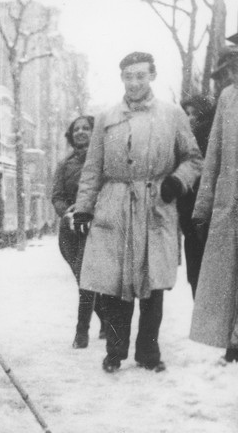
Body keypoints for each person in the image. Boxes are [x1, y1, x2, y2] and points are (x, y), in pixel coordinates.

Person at [73, 51, 202, 374]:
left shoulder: (172, 115)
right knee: (115, 284)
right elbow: (93, 167)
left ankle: (148, 352)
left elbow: (194, 158)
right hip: (115, 204)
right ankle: (115, 352)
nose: (134, 83)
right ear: (122, 79)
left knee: (152, 282)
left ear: (152, 77)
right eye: (128, 77)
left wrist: (177, 181)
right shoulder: (106, 117)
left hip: (155, 202)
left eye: (140, 76)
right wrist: (85, 208)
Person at [189, 32, 238, 365]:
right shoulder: (228, 98)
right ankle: (233, 341)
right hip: (230, 203)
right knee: (229, 275)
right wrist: (203, 207)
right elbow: (214, 156)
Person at [51, 115, 106, 348]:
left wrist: (91, 209)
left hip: (95, 226)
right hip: (70, 230)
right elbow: (56, 196)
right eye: (76, 129)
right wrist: (69, 210)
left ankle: (81, 332)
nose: (81, 132)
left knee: (86, 277)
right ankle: (107, 319)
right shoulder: (65, 164)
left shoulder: (104, 161)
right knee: (82, 278)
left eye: (86, 128)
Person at [178, 94, 215, 297]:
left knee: (200, 278)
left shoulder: (205, 140)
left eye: (194, 114)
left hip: (201, 221)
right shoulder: (185, 142)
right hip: (192, 222)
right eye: (186, 114)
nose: (189, 118)